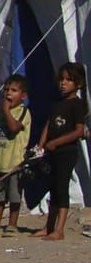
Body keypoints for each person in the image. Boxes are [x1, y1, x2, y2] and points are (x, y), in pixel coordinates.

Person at [33, 62, 87, 241]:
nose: (63, 83)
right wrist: (41, 144)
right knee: (54, 188)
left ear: (78, 84)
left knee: (62, 189)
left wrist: (56, 142)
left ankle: (60, 229)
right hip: (53, 152)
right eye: (62, 79)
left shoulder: (77, 105)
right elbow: (49, 125)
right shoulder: (58, 103)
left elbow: (79, 131)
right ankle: (49, 227)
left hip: (67, 151)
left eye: (69, 80)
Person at [0, 74, 31, 236]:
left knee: (14, 196)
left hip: (15, 162)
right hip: (0, 160)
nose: (8, 93)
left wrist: (6, 110)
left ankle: (12, 225)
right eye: (6, 89)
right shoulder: (3, 113)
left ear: (23, 96)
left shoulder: (22, 112)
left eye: (14, 90)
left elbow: (14, 128)